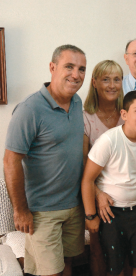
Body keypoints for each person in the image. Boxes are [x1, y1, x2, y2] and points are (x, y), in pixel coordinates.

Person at [3, 44, 86, 276]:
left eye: (81, 69)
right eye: (69, 66)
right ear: (52, 67)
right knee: (51, 272)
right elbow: (10, 161)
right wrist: (20, 210)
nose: (76, 74)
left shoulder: (78, 102)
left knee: (69, 264)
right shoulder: (30, 109)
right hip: (42, 212)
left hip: (73, 206)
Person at [81, 90, 136, 276]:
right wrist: (90, 216)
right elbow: (87, 179)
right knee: (114, 268)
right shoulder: (109, 140)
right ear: (124, 114)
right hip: (111, 214)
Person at [83, 60, 125, 276]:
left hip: (127, 194)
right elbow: (83, 163)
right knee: (98, 250)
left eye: (116, 79)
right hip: (96, 194)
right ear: (95, 83)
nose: (111, 85)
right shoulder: (85, 118)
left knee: (126, 253)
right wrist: (98, 194)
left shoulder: (128, 115)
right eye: (106, 79)